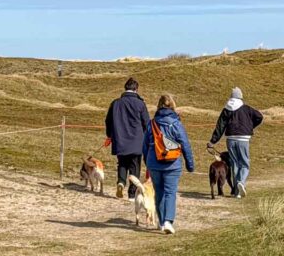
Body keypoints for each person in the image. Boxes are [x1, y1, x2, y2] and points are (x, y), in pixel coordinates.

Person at [143, 94, 195, 234]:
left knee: (158, 193)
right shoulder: (176, 124)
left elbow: (145, 145)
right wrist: (190, 164)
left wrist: (147, 162)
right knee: (170, 192)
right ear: (172, 105)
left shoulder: (151, 123)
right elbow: (185, 144)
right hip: (173, 163)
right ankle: (168, 221)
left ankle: (161, 222)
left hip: (154, 162)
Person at [207, 87, 263, 199]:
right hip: (243, 139)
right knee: (245, 163)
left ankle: (237, 192)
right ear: (240, 97)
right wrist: (250, 126)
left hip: (231, 139)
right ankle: (241, 182)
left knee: (234, 164)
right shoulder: (247, 109)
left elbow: (220, 126)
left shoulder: (226, 109)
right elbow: (260, 117)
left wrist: (213, 141)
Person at [105, 77, 151, 199]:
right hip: (137, 140)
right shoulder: (140, 104)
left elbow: (108, 121)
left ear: (125, 88)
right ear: (136, 89)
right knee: (134, 167)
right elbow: (146, 123)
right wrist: (148, 138)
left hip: (120, 139)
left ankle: (121, 182)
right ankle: (131, 194)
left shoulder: (115, 103)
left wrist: (109, 135)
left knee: (122, 164)